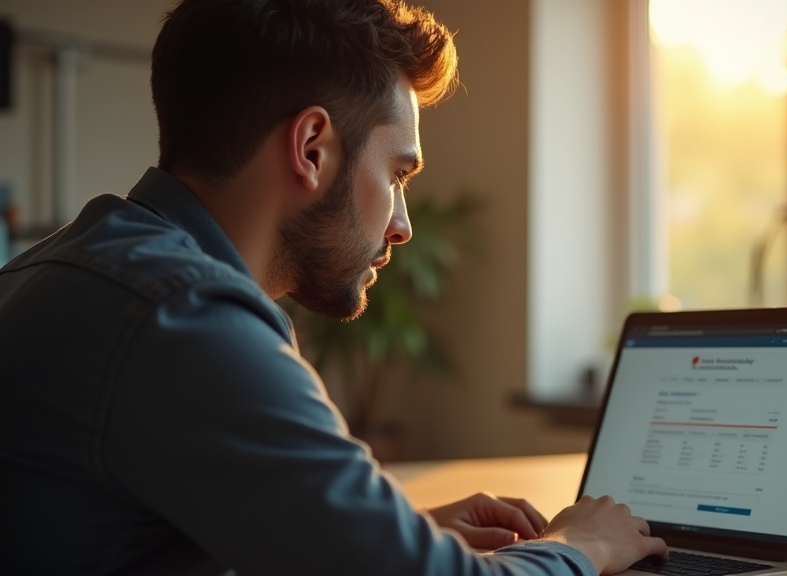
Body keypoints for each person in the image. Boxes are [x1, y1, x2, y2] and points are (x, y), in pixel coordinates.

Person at [0, 1, 668, 574]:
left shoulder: (67, 267)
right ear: (312, 147)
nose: (403, 225)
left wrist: (394, 531)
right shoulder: (182, 315)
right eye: (399, 174)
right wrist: (579, 546)